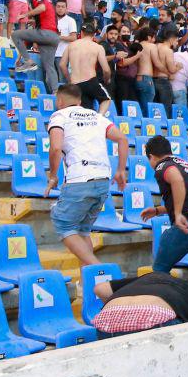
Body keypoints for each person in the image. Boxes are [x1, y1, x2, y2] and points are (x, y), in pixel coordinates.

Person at [45, 84, 128, 266]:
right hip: (103, 180)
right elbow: (122, 139)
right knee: (83, 231)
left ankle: (97, 269)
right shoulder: (97, 116)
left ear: (59, 101)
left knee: (63, 225)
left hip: (79, 178)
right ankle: (88, 282)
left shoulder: (59, 116)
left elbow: (56, 147)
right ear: (80, 101)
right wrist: (121, 170)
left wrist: (52, 175)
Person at [139, 135, 188, 297]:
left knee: (159, 273)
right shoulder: (184, 163)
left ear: (151, 157)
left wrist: (177, 213)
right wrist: (158, 210)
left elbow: (176, 180)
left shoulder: (162, 166)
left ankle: (166, 314)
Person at [91, 271, 188, 339]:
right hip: (156, 316)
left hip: (106, 320)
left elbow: (100, 289)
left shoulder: (142, 280)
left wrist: (118, 315)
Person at [58, 18, 112, 115]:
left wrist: (69, 79)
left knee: (82, 110)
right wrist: (106, 79)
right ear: (94, 34)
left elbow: (62, 65)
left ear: (81, 33)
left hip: (75, 83)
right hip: (90, 80)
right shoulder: (97, 47)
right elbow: (106, 70)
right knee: (106, 100)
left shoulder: (71, 45)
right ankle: (98, 118)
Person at [12, 0, 60, 74]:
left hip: (45, 33)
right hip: (54, 37)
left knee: (15, 34)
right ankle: (55, 89)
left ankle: (28, 62)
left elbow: (41, 8)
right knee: (49, 67)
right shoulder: (49, 3)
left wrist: (25, 15)